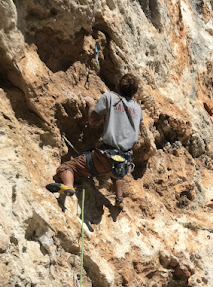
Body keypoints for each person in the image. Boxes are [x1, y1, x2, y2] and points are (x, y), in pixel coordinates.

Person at [46, 73, 143, 212]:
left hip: (105, 156)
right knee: (117, 173)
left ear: (119, 85)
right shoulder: (137, 108)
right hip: (124, 161)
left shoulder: (110, 98)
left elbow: (93, 120)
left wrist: (91, 104)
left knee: (68, 167)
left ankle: (68, 185)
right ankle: (119, 199)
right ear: (135, 91)